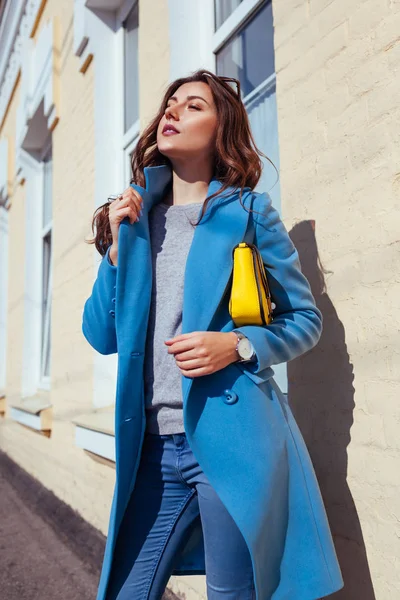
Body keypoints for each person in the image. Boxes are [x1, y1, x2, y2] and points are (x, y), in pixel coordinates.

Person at [82, 69, 344, 600]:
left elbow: (304, 320)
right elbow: (101, 336)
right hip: (152, 449)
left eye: (193, 105)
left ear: (222, 127)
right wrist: (113, 252)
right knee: (128, 590)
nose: (172, 112)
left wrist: (239, 345)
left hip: (232, 438)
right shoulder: (134, 218)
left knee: (232, 593)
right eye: (169, 103)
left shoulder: (248, 214)